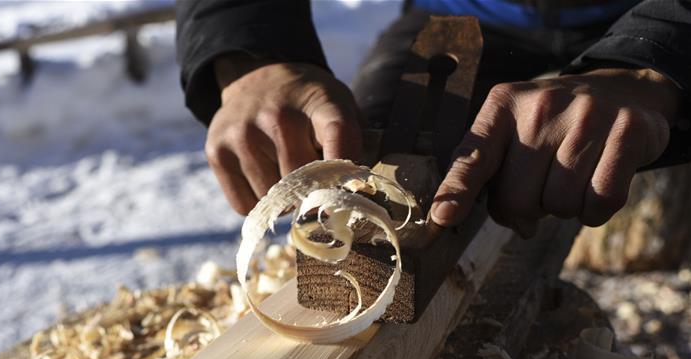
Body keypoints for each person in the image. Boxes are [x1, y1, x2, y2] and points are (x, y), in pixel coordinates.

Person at [176, 0, 690, 238]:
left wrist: (655, 59)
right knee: (367, 189)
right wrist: (251, 49)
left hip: (649, 11)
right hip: (459, 13)